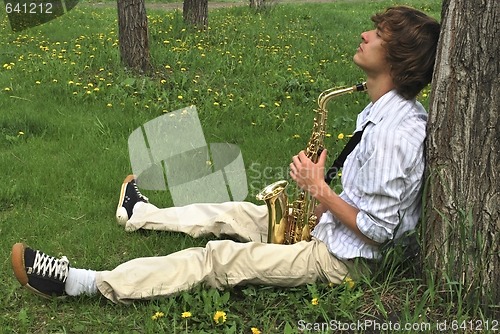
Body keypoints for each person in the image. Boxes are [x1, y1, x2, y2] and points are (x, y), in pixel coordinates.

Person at [11, 6, 440, 304]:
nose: (365, 34)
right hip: (329, 229)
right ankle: (141, 215)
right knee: (233, 211)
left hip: (343, 260)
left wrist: (319, 190)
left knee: (218, 257)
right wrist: (320, 187)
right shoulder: (381, 111)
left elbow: (379, 232)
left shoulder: (397, 135)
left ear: (398, 60)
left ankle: (80, 283)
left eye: (379, 34)